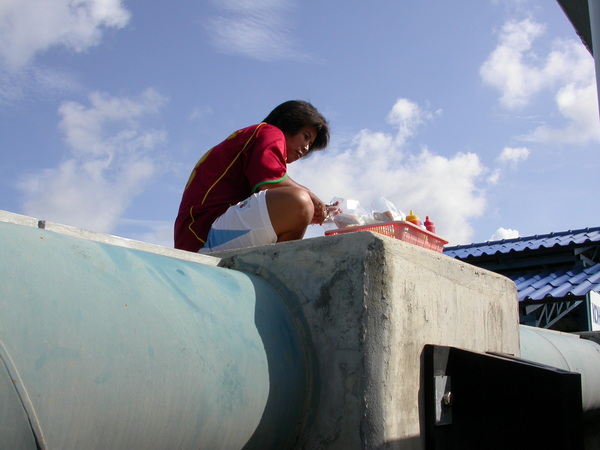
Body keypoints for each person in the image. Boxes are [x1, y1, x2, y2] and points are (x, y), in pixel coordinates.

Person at [174, 100, 331, 253]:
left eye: (310, 144)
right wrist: (310, 197)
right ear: (290, 124)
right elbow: (271, 184)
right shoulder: (270, 132)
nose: (306, 147)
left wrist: (312, 210)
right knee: (299, 202)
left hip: (197, 234)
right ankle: (280, 269)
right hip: (203, 235)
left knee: (298, 205)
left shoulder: (251, 137)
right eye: (306, 136)